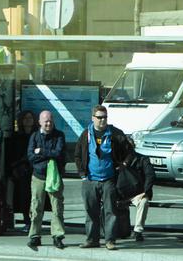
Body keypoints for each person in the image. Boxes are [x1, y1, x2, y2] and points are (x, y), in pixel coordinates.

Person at [75, 105, 132, 251]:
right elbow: (77, 155)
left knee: (110, 211)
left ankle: (110, 240)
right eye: (99, 117)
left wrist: (124, 164)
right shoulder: (86, 134)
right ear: (93, 118)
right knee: (91, 211)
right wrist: (82, 174)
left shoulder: (115, 134)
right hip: (90, 179)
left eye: (105, 117)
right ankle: (92, 239)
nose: (102, 120)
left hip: (109, 179)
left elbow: (129, 151)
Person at [26, 110, 67, 250]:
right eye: (45, 121)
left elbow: (59, 153)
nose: (48, 123)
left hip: (54, 177)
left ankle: (57, 236)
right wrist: (48, 154)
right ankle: (34, 236)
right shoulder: (34, 136)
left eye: (50, 120)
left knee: (57, 208)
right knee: (36, 207)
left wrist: (41, 151)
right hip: (38, 177)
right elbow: (31, 157)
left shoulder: (59, 135)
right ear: (40, 122)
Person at [120, 138, 155, 242]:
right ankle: (111, 230)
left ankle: (138, 231)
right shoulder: (117, 159)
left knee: (144, 202)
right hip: (120, 193)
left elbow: (150, 175)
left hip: (137, 193)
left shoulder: (142, 159)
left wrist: (145, 192)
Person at [10, 111, 37, 232]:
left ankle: (34, 221)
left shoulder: (36, 135)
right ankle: (27, 220)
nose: (28, 120)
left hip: (34, 170)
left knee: (35, 197)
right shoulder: (16, 136)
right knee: (23, 197)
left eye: (30, 118)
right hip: (21, 171)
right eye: (25, 118)